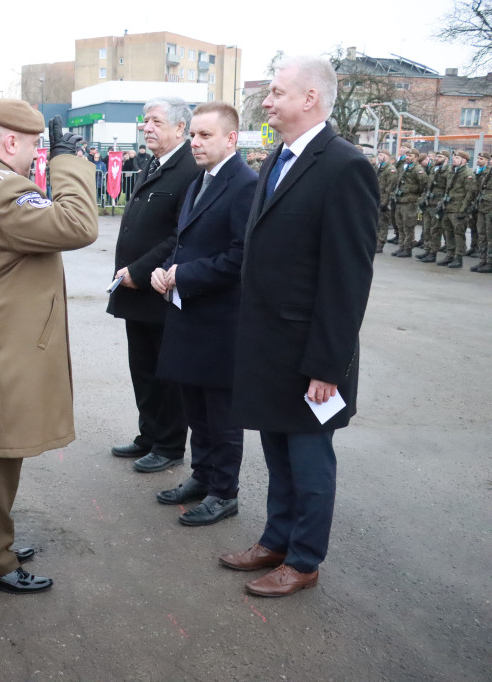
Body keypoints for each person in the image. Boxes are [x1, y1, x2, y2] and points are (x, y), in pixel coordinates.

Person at [220, 55, 378, 598]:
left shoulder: (344, 166)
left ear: (310, 97)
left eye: (276, 92)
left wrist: (327, 366)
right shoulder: (277, 160)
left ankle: (305, 560)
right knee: (277, 454)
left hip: (311, 355)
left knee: (309, 461)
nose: (266, 101)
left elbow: (347, 278)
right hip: (268, 348)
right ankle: (276, 540)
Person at [0, 102, 97, 596]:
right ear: (11, 142)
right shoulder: (3, 188)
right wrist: (68, 162)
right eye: (33, 147)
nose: (36, 158)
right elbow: (78, 225)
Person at [150, 102, 256, 527]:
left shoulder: (244, 184)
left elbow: (240, 256)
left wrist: (184, 275)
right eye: (192, 134)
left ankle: (223, 492)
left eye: (204, 135)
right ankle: (202, 476)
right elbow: (184, 240)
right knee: (195, 407)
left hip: (220, 321)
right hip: (190, 314)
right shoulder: (202, 181)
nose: (194, 142)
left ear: (231, 138)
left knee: (222, 415)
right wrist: (164, 270)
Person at [107, 97, 199, 472]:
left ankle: (169, 444)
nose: (147, 127)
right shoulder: (155, 162)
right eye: (146, 122)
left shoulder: (190, 168)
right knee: (142, 369)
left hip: (159, 288)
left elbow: (180, 234)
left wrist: (139, 271)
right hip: (135, 290)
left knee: (165, 374)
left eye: (156, 122)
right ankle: (149, 434)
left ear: (180, 128)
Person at [438, 150, 475, 269]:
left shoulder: (467, 174)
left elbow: (470, 194)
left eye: (457, 158)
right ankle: (450, 254)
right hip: (448, 207)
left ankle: (458, 258)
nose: (454, 159)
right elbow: (448, 190)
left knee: (459, 234)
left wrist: (463, 210)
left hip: (458, 209)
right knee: (448, 232)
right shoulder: (453, 172)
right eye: (454, 157)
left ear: (464, 161)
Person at [390, 148, 427, 258]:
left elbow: (424, 184)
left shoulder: (418, 169)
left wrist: (415, 194)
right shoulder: (404, 168)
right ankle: (401, 246)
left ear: (416, 157)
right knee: (400, 225)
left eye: (410, 156)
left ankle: (408, 248)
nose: (408, 157)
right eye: (407, 155)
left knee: (408, 226)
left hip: (410, 202)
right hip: (400, 200)